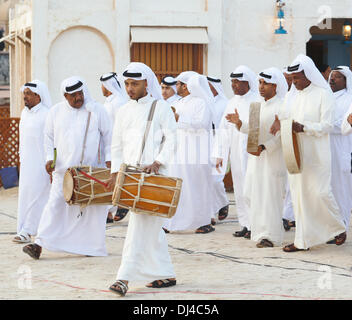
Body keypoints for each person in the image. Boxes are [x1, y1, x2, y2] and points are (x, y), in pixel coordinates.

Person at [22, 76, 112, 259]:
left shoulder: (97, 111)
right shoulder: (55, 112)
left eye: (80, 93)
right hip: (63, 171)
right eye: (73, 95)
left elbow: (109, 137)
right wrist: (49, 159)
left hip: (91, 170)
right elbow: (48, 138)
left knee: (92, 211)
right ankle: (39, 244)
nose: (78, 98)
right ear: (65, 96)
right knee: (54, 205)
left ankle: (91, 247)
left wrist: (110, 161)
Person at [108, 62, 177, 297]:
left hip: (154, 177)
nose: (129, 88)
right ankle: (164, 273)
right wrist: (116, 173)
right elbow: (116, 145)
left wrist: (158, 161)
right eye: (127, 83)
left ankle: (123, 277)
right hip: (130, 178)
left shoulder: (161, 108)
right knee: (150, 227)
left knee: (138, 228)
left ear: (147, 83)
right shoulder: (123, 111)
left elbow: (172, 139)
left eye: (134, 84)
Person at [270, 54, 346, 252]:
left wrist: (303, 127)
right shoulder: (292, 95)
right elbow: (285, 118)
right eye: (292, 79)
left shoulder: (323, 94)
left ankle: (338, 227)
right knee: (299, 196)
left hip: (317, 154)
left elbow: (328, 125)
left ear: (308, 75)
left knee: (320, 193)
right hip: (295, 151)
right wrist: (280, 124)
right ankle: (302, 240)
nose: (293, 83)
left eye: (297, 78)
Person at [227, 68, 288, 248]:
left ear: (275, 86)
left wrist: (265, 146)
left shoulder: (282, 106)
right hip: (255, 158)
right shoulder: (256, 104)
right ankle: (258, 231)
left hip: (272, 158)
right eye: (260, 83)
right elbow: (251, 129)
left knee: (270, 196)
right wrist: (239, 123)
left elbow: (282, 134)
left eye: (265, 83)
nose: (261, 87)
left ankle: (271, 236)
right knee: (250, 193)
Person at [163, 71, 216, 234]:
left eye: (177, 84)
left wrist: (179, 120)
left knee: (197, 187)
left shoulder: (201, 102)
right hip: (179, 152)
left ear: (185, 86)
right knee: (179, 186)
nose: (175, 87)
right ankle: (172, 222)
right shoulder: (179, 103)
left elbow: (202, 124)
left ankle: (203, 222)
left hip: (196, 153)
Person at [213, 66, 259, 239]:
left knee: (251, 189)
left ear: (247, 82)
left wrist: (240, 122)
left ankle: (256, 225)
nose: (233, 85)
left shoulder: (256, 100)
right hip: (236, 153)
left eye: (237, 81)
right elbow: (223, 129)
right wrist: (220, 154)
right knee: (239, 189)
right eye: (232, 81)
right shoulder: (231, 102)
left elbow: (255, 127)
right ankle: (245, 224)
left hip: (251, 152)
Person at [13, 81, 52, 244]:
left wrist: (51, 163)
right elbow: (22, 141)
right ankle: (25, 228)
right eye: (24, 93)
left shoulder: (46, 114)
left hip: (42, 164)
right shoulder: (24, 113)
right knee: (26, 196)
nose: (25, 96)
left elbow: (52, 141)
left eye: (28, 93)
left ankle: (28, 230)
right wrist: (21, 161)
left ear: (38, 95)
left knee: (39, 197)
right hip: (27, 163)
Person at [100, 72, 129, 224]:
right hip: (108, 145)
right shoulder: (108, 102)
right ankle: (109, 213)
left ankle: (119, 206)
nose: (101, 88)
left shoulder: (119, 102)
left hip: (118, 145)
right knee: (111, 177)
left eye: (103, 85)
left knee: (117, 176)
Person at [328, 66, 352, 234]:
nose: (332, 79)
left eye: (337, 77)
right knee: (328, 189)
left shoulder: (349, 100)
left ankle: (341, 227)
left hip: (341, 148)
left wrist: (324, 126)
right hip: (325, 148)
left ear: (346, 81)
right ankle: (331, 227)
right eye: (331, 76)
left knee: (341, 189)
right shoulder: (327, 98)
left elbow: (343, 126)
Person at [207, 76, 229, 223]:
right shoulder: (205, 101)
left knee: (216, 180)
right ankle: (210, 214)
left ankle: (223, 202)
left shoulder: (225, 103)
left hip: (221, 143)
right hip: (205, 143)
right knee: (206, 180)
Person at [281, 68, 296, 231]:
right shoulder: (282, 97)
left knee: (292, 184)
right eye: (285, 79)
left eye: (290, 79)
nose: (288, 82)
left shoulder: (297, 96)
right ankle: (286, 215)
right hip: (281, 144)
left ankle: (288, 216)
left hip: (296, 144)